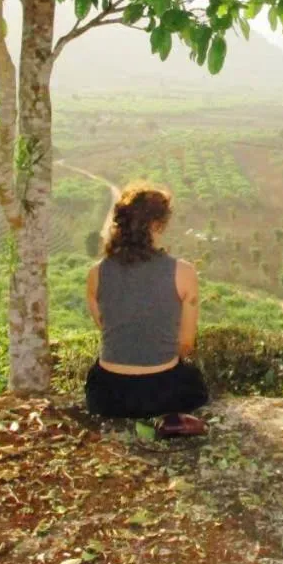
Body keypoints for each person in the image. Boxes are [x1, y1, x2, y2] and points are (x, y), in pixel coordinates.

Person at [84, 182, 208, 436]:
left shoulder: (96, 273)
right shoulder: (183, 272)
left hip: (106, 395)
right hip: (162, 394)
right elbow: (186, 344)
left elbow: (108, 329)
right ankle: (164, 422)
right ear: (158, 224)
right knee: (194, 381)